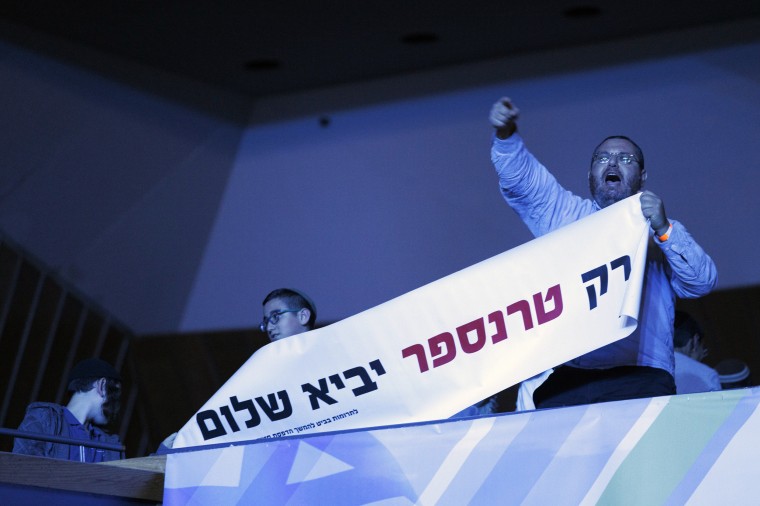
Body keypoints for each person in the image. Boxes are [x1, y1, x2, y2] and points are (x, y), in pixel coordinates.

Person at [489, 97, 718, 409]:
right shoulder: (566, 216)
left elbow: (701, 282)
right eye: (602, 158)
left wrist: (664, 230)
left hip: (641, 374)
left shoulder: (659, 230)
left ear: (642, 177)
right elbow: (524, 184)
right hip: (573, 376)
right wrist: (506, 136)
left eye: (625, 160)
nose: (612, 163)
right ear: (589, 175)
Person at [12, 358, 124, 462]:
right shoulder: (44, 419)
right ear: (102, 386)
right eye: (115, 393)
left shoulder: (110, 444)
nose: (117, 406)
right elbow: (22, 469)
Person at [672, 311, 721, 394]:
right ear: (695, 340)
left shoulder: (647, 365)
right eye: (703, 347)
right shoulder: (706, 375)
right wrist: (694, 364)